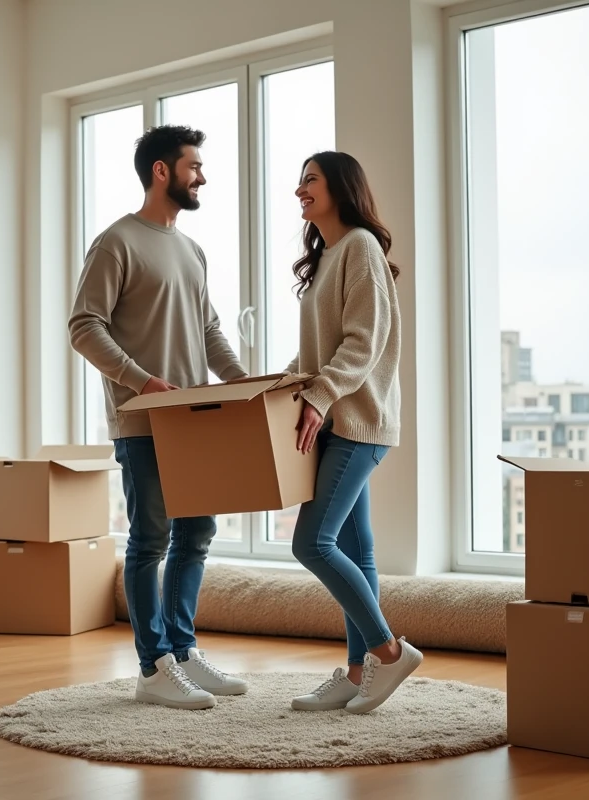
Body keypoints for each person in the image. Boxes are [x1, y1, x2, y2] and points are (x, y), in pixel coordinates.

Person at [68, 124, 250, 710]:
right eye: (194, 165)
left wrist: (241, 382)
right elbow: (83, 326)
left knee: (196, 534)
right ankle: (153, 667)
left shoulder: (192, 250)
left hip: (196, 422)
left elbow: (210, 330)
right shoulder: (116, 242)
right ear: (162, 172)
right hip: (144, 421)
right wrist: (141, 381)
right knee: (151, 539)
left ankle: (183, 651)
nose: (203, 176)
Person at [283, 151, 423, 715]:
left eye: (310, 179)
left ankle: (389, 652)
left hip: (358, 422)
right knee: (351, 546)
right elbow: (319, 349)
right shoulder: (329, 256)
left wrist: (318, 396)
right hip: (339, 421)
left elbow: (362, 343)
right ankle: (359, 669)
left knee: (310, 542)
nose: (299, 190)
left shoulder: (361, 246)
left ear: (341, 187)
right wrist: (281, 386)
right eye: (299, 181)